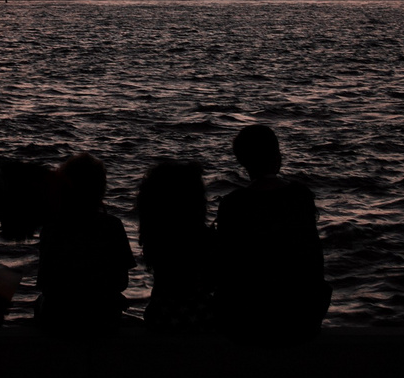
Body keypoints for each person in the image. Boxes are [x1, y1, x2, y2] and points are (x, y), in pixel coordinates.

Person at [215, 124, 331, 343]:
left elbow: (226, 266)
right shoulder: (300, 197)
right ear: (277, 156)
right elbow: (314, 260)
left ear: (242, 161)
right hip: (299, 318)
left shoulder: (234, 204)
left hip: (248, 320)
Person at [36, 152, 135, 335]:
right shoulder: (112, 225)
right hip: (102, 319)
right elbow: (121, 282)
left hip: (59, 319)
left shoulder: (52, 227)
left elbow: (44, 282)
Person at [136, 160, 216, 333]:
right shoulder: (204, 236)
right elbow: (212, 282)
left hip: (161, 316)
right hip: (201, 316)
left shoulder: (155, 234)